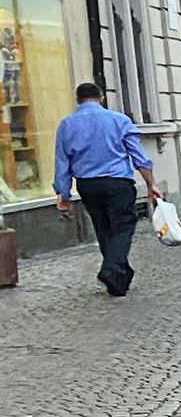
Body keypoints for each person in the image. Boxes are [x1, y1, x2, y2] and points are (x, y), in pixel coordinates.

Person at [52, 82, 159, 298]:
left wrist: (63, 194)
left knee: (103, 228)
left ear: (78, 100)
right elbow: (138, 157)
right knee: (123, 226)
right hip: (117, 182)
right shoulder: (119, 120)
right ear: (101, 98)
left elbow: (62, 163)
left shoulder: (67, 125)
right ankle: (111, 268)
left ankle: (117, 282)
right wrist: (151, 184)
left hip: (88, 185)